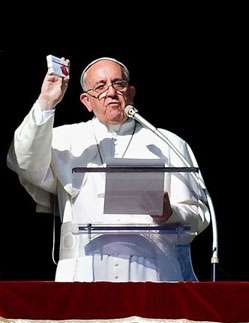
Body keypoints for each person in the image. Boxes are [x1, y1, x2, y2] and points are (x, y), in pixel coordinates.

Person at [7, 57, 210, 282]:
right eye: (100, 86)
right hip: (84, 270)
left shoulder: (167, 143)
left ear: (131, 92)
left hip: (154, 270)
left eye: (118, 84)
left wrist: (170, 212)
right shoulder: (64, 139)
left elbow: (200, 214)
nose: (111, 92)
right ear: (86, 101)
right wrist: (46, 103)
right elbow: (24, 160)